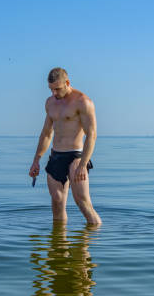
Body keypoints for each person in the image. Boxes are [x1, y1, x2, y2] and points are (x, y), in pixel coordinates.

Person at [29, 68, 102, 225]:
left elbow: (92, 135)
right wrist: (36, 160)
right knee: (57, 202)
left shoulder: (83, 102)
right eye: (51, 89)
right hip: (56, 156)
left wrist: (83, 164)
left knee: (82, 202)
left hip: (76, 156)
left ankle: (96, 238)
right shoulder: (50, 103)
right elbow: (46, 134)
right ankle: (59, 247)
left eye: (57, 89)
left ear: (67, 83)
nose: (54, 93)